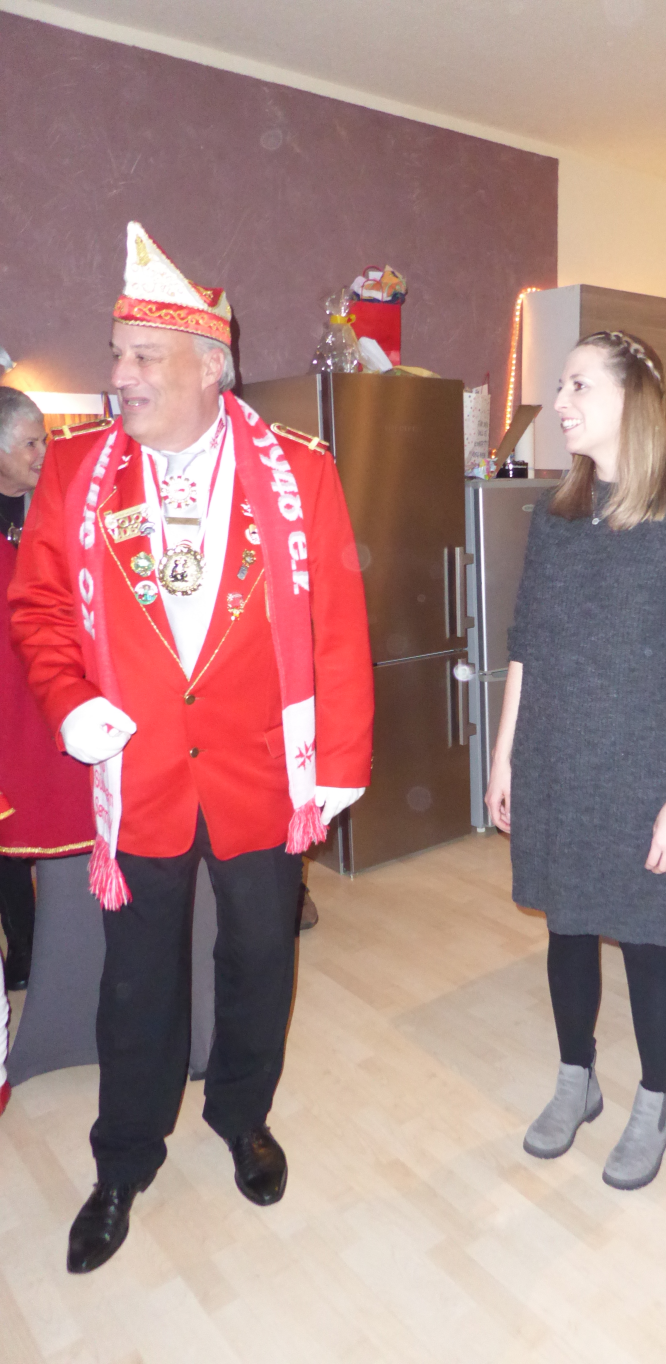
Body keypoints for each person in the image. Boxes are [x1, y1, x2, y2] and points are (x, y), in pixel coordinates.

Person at [10, 222, 374, 1273]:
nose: (118, 375)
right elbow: (38, 610)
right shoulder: (74, 471)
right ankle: (124, 1159)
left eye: (142, 355)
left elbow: (337, 623)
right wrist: (70, 701)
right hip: (139, 773)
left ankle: (242, 1117)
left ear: (212, 368)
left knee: (260, 958)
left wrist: (340, 758)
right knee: (136, 979)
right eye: (116, 353)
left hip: (265, 768)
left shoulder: (300, 473)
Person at [486, 330, 666, 1191]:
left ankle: (655, 1101)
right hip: (555, 756)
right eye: (561, 386)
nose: (559, 402)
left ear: (633, 396)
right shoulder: (556, 515)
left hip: (644, 769)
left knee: (643, 938)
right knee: (566, 925)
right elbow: (526, 642)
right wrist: (505, 755)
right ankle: (577, 1078)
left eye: (578, 385)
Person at [0, 390, 95, 997]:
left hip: (46, 684)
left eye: (45, 439)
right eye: (30, 443)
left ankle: (66, 948)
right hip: (3, 699)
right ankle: (25, 947)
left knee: (57, 810)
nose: (44, 453)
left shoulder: (53, 502)